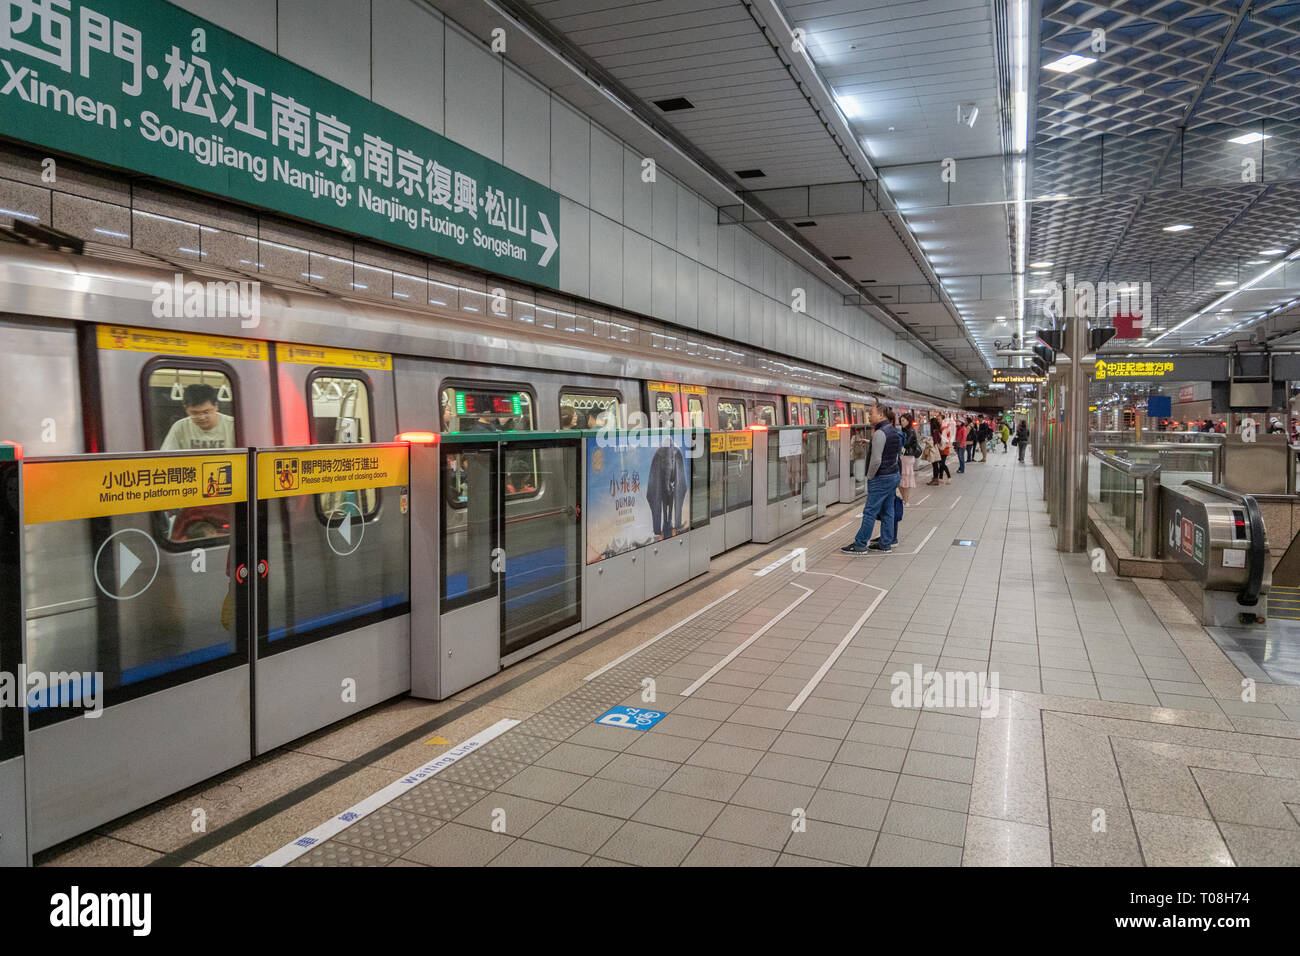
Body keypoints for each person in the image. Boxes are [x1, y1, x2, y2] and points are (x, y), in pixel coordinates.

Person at [842, 403, 901, 554]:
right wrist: (871, 442)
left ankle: (860, 544)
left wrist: (870, 476)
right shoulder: (892, 430)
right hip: (893, 474)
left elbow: (876, 460)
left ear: (881, 415)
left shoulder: (880, 433)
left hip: (881, 477)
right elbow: (889, 450)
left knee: (870, 511)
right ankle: (885, 543)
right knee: (888, 510)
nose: (869, 416)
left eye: (871, 413)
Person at [160, 383, 235, 450]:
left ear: (216, 406)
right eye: (194, 413)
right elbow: (165, 458)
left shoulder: (233, 426)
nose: (201, 417)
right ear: (186, 409)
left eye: (206, 412)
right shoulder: (180, 427)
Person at [897, 413, 920, 504]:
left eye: (903, 420)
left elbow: (906, 444)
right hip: (905, 457)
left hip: (907, 457)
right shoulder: (906, 430)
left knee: (904, 479)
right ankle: (905, 499)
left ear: (908, 421)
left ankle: (906, 500)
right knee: (903, 479)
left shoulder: (910, 431)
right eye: (901, 421)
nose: (901, 422)